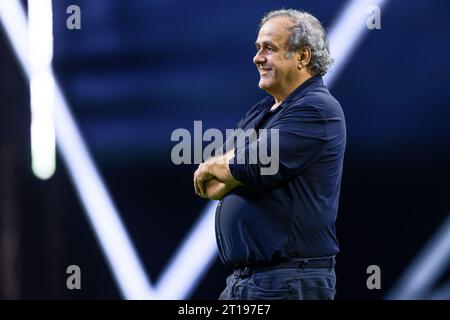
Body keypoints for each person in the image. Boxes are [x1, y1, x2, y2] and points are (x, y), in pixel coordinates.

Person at [193, 9, 346, 300]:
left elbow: (246, 165)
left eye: (269, 48)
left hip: (288, 281)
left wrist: (222, 165)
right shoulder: (262, 111)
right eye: (258, 48)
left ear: (303, 56)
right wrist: (232, 167)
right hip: (248, 280)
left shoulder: (316, 109)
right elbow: (214, 187)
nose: (257, 57)